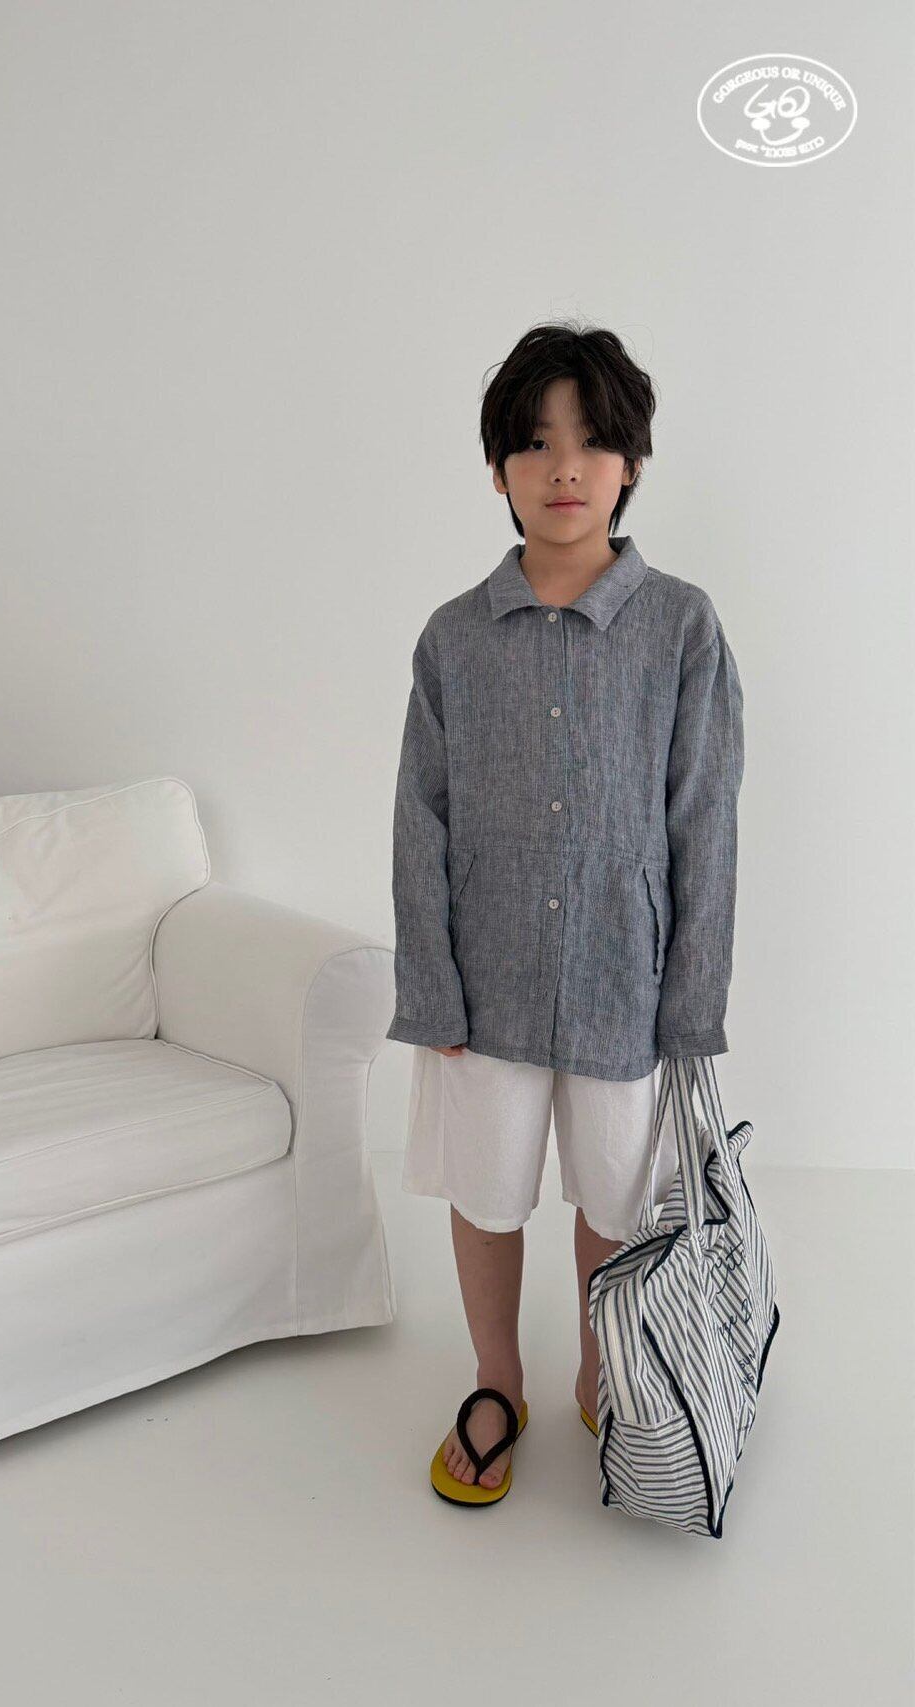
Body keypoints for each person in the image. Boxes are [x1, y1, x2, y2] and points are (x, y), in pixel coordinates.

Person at [387, 320, 744, 1505]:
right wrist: (430, 987)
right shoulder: (452, 638)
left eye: (590, 442)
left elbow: (703, 822)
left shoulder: (680, 626)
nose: (562, 469)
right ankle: (496, 1380)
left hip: (620, 980)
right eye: (534, 443)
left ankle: (603, 1366)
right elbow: (419, 820)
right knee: (486, 1195)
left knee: (611, 1196)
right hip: (480, 983)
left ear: (629, 462)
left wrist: (687, 1005)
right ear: (496, 468)